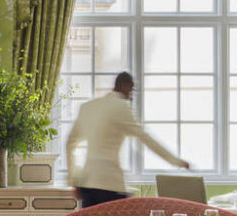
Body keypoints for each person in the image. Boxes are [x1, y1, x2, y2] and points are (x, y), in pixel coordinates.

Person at [65, 71, 190, 208]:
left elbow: (70, 143)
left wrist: (73, 179)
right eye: (131, 90)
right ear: (125, 86)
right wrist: (177, 162)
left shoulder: (88, 107)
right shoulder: (120, 107)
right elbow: (146, 139)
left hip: (86, 183)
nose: (131, 95)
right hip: (108, 183)